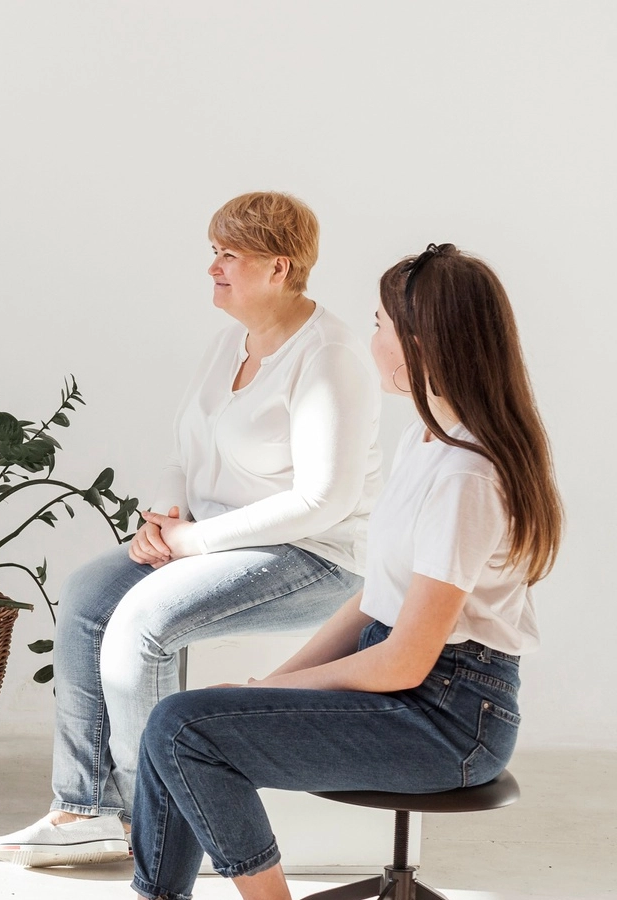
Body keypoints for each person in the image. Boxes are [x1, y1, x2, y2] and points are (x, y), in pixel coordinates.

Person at [127, 244, 560, 900]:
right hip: (406, 689)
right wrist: (270, 685)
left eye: (381, 324)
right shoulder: (426, 439)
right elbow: (373, 601)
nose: (372, 338)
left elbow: (405, 661)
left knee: (183, 729)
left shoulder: (467, 478)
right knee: (179, 719)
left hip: (448, 720)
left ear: (421, 343)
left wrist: (276, 689)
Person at [0, 192, 381, 866]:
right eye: (214, 252)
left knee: (143, 621)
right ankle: (86, 808)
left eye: (229, 254)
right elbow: (184, 451)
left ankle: (154, 820)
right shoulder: (231, 342)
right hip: (211, 540)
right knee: (87, 596)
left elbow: (324, 501)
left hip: (313, 556)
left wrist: (191, 543)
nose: (213, 268)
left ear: (279, 267)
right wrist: (165, 517)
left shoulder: (330, 357)